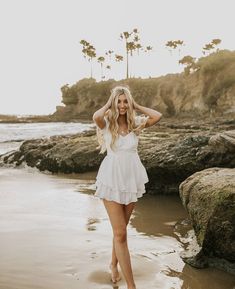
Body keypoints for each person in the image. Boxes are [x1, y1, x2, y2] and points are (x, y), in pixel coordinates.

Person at [92, 85, 162, 289]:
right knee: (121, 233)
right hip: (111, 180)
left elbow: (157, 115)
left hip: (131, 179)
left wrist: (136, 105)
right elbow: (96, 115)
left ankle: (114, 264)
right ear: (114, 103)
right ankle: (132, 286)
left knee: (120, 230)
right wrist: (110, 101)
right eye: (119, 101)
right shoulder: (106, 123)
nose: (122, 105)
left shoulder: (135, 124)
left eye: (125, 101)